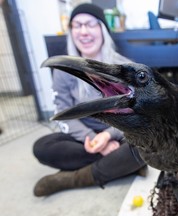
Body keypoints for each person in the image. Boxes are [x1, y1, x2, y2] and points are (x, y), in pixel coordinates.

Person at [33, 3, 146, 197]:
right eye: (77, 25)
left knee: (146, 144)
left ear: (102, 29)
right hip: (84, 138)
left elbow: (137, 115)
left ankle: (74, 178)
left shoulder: (125, 69)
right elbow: (62, 114)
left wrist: (108, 136)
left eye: (90, 24)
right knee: (42, 147)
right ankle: (120, 164)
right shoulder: (63, 71)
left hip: (120, 134)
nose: (83, 32)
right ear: (71, 32)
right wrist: (94, 140)